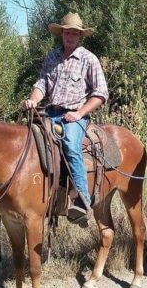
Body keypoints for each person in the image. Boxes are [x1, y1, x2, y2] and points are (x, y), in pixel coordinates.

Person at [24, 12, 108, 225]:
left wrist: (79, 113)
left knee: (70, 146)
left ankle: (82, 200)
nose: (70, 37)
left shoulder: (89, 59)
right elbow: (41, 84)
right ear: (61, 34)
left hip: (75, 116)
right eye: (66, 33)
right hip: (50, 113)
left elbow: (100, 94)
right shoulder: (52, 57)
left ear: (80, 36)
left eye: (74, 34)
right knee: (29, 143)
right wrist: (33, 100)